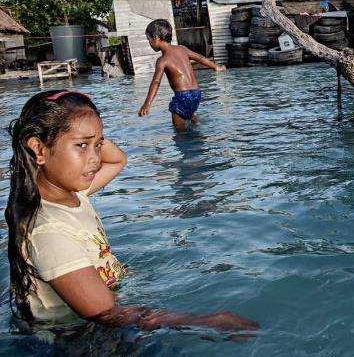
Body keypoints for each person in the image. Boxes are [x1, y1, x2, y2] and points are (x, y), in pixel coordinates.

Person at [5, 90, 258, 333]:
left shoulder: (73, 193)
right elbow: (107, 313)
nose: (95, 158)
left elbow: (117, 160)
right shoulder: (50, 233)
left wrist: (89, 134)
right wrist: (203, 322)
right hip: (74, 337)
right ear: (39, 149)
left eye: (98, 145)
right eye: (81, 145)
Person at [138, 19, 224, 130]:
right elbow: (199, 58)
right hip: (196, 93)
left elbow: (156, 82)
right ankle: (196, 123)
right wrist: (215, 67)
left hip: (182, 96)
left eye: (148, 39)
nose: (149, 43)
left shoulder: (162, 60)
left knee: (179, 131)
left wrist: (147, 104)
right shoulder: (182, 49)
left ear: (156, 38)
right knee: (189, 114)